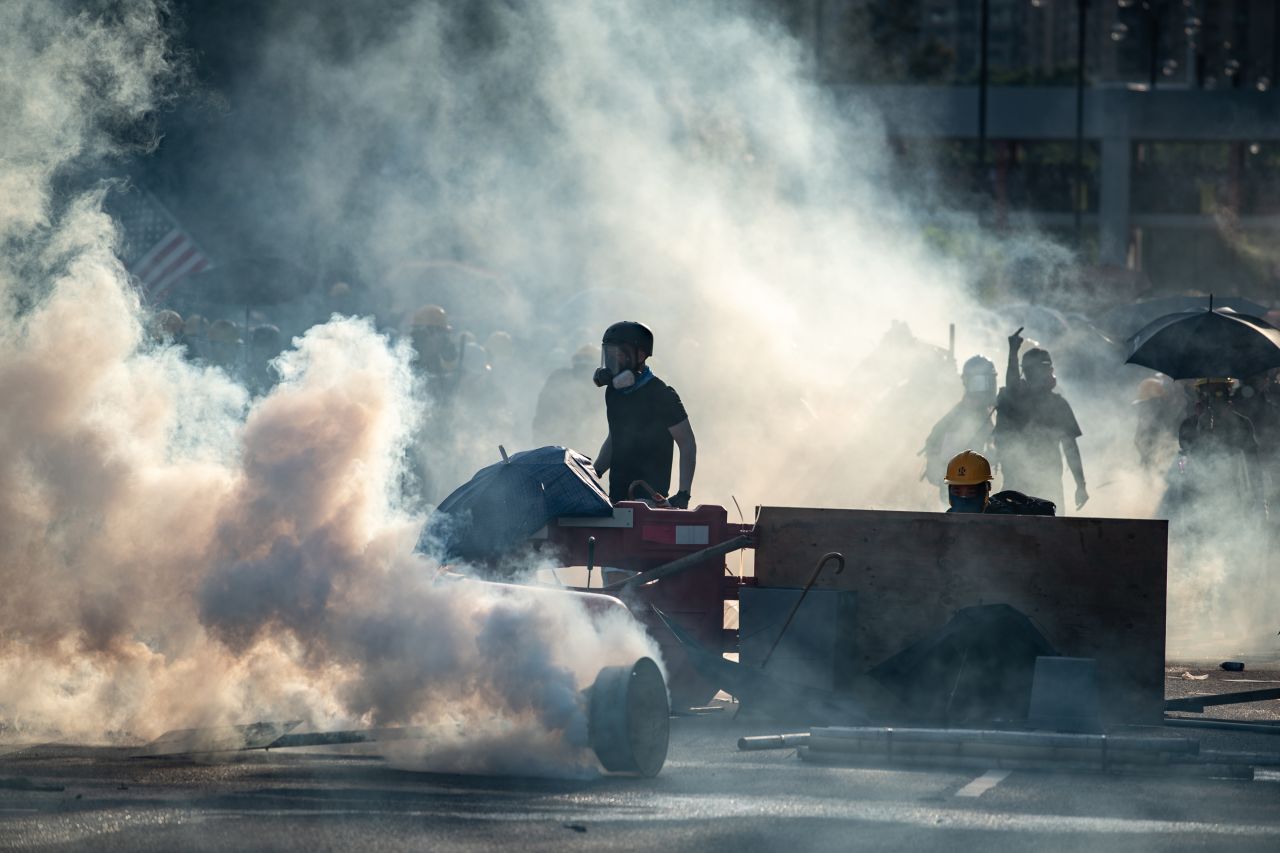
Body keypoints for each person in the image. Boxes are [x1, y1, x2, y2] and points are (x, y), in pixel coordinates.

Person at [591, 321, 696, 507]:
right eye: (609, 355)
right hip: (617, 496)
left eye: (619, 355)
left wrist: (683, 494)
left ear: (640, 355)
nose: (612, 363)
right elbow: (616, 437)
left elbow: (687, 443)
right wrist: (595, 472)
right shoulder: (614, 392)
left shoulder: (661, 394)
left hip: (649, 498)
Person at [993, 328, 1088, 512]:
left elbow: (1070, 448)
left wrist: (1013, 351)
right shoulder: (1055, 403)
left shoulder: (1050, 403)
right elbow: (1070, 448)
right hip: (1031, 485)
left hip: (1036, 485)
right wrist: (1080, 485)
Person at [923, 355, 998, 505]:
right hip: (961, 494)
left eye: (990, 382)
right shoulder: (959, 418)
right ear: (968, 383)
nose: (987, 388)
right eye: (981, 382)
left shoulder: (987, 414)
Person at [532, 344, 605, 453]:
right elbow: (543, 410)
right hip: (559, 437)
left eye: (587, 363)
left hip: (586, 438)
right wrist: (540, 435)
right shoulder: (560, 378)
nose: (583, 368)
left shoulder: (601, 384)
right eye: (581, 362)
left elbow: (601, 417)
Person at [944, 450, 1056, 516]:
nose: (963, 498)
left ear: (986, 489)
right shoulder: (945, 521)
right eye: (957, 491)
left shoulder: (1003, 517)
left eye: (971, 491)